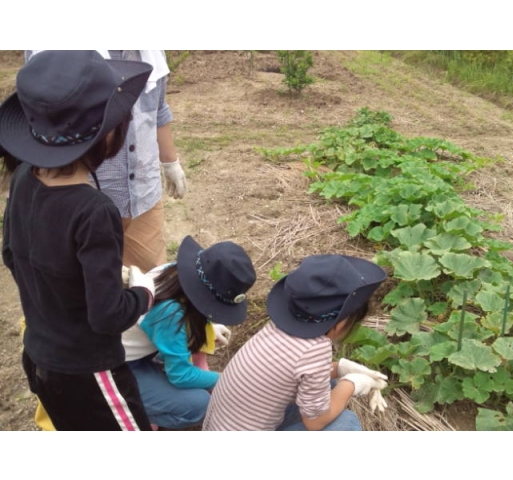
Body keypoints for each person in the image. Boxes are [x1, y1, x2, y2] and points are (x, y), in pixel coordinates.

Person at [0, 50, 157, 430]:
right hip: (89, 372)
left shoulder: (22, 177)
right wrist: (144, 292)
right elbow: (106, 317)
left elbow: (11, 254)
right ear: (107, 135)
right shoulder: (93, 211)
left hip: (39, 355)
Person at [24, 50, 187, 273]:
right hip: (84, 203)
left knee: (150, 281)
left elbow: (158, 109)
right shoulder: (51, 50)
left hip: (143, 196)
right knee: (90, 286)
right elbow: (41, 117)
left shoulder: (150, 52)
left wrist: (170, 162)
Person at [202, 254, 389, 431]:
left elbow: (297, 371)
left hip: (220, 426)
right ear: (342, 322)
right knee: (347, 423)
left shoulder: (278, 326)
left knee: (329, 387)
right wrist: (352, 384)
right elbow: (314, 423)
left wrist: (340, 368)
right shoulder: (316, 347)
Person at [122, 236, 257, 429]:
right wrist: (225, 379)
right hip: (116, 367)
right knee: (198, 405)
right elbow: (181, 375)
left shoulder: (172, 273)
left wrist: (208, 328)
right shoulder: (170, 313)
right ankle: (131, 416)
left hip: (133, 351)